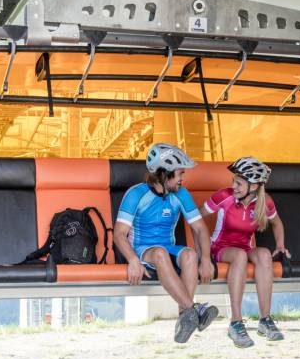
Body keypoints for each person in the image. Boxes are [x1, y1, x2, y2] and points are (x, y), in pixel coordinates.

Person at [113, 143, 218, 343]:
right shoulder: (136, 194)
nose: (182, 178)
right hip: (141, 250)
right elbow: (119, 234)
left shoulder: (180, 194)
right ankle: (194, 309)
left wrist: (205, 260)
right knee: (160, 253)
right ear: (164, 174)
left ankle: (184, 318)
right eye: (179, 174)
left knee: (190, 255)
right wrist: (133, 260)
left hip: (166, 247)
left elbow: (201, 229)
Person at [200, 157, 289, 348]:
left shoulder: (265, 203)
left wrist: (280, 245)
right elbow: (196, 218)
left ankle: (265, 320)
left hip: (244, 248)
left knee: (264, 254)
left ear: (254, 185)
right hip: (220, 248)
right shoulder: (224, 196)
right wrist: (203, 254)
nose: (234, 186)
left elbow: (277, 223)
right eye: (234, 181)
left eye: (239, 183)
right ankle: (236, 323)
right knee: (239, 256)